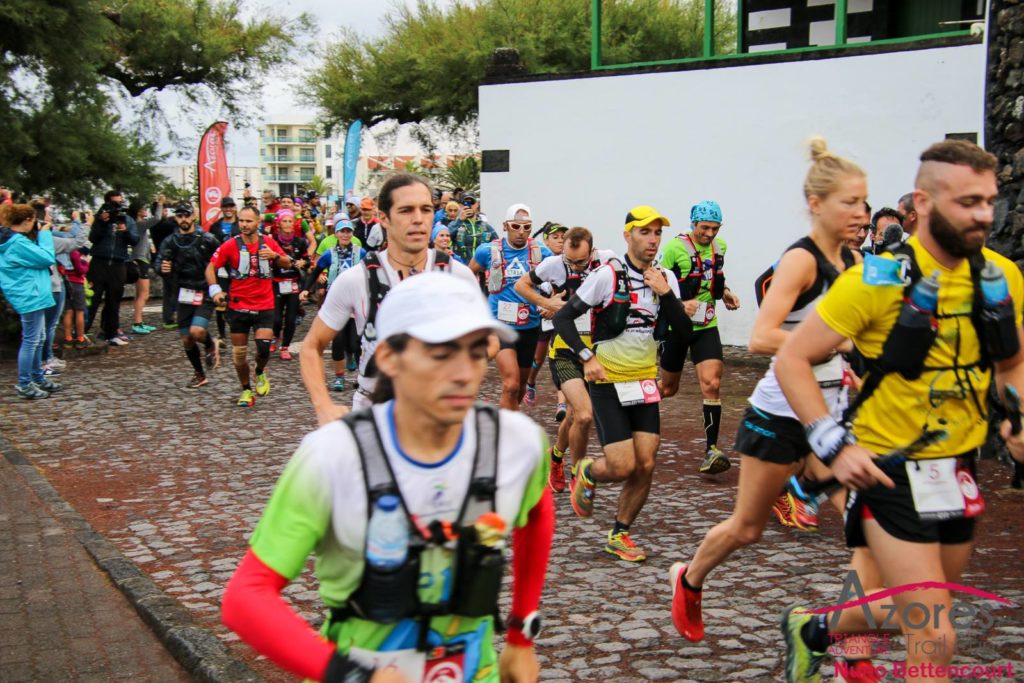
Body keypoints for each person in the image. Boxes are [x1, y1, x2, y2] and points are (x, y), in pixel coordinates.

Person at [222, 271, 554, 683]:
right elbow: (246, 596)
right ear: (388, 358)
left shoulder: (516, 443)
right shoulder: (333, 455)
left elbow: (537, 512)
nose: (463, 373)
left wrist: (521, 633)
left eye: (474, 352)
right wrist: (353, 676)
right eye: (441, 353)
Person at [775, 139, 1024, 683]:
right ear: (924, 203)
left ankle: (814, 629)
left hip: (957, 468)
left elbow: (1012, 361)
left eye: (989, 201)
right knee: (934, 633)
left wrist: (1017, 415)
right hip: (887, 470)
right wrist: (831, 444)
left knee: (924, 607)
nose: (984, 214)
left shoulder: (1000, 276)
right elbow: (792, 358)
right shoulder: (878, 278)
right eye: (968, 202)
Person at [669, 137, 866, 646]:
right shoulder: (800, 261)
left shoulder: (855, 262)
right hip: (780, 412)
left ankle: (850, 644)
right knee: (748, 527)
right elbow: (762, 337)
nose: (861, 213)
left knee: (869, 528)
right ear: (816, 204)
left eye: (864, 202)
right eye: (850, 202)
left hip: (832, 412)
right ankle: (689, 580)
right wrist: (834, 343)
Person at [555, 206, 687, 562]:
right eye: (645, 232)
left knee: (646, 463)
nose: (653, 240)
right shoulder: (607, 275)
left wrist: (667, 294)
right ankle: (586, 469)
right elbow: (563, 318)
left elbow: (683, 330)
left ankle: (620, 533)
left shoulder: (665, 278)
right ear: (628, 235)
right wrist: (587, 357)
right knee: (622, 465)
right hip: (608, 381)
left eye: (658, 233)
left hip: (643, 382)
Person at [300, 174, 479, 423]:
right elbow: (311, 345)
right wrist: (323, 406)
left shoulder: (457, 275)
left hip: (440, 415)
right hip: (374, 413)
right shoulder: (356, 279)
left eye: (426, 209)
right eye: (406, 210)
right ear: (383, 218)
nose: (418, 219)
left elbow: (489, 341)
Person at [515, 227, 616, 492]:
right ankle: (577, 475)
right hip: (564, 350)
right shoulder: (553, 264)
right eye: (569, 261)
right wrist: (547, 303)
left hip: (596, 351)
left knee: (573, 415)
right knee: (584, 415)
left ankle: (556, 456)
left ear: (592, 251)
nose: (574, 267)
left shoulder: (608, 261)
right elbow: (521, 284)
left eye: (580, 262)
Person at [659, 200, 741, 475]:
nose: (709, 233)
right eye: (705, 228)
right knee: (668, 389)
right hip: (677, 328)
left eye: (715, 228)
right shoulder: (674, 248)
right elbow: (657, 284)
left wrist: (725, 292)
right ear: (693, 223)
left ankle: (711, 450)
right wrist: (680, 305)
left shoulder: (721, 247)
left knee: (712, 383)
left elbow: (713, 276)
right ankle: (630, 407)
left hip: (706, 325)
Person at [206, 205, 292, 406]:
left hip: (264, 305)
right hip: (238, 306)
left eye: (248, 221)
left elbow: (288, 263)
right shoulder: (230, 245)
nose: (244, 225)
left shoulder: (268, 242)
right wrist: (215, 290)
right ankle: (246, 390)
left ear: (258, 222)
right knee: (239, 355)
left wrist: (274, 256)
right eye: (241, 221)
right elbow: (210, 268)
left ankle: (260, 371)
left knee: (263, 349)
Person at [470, 204, 553, 410]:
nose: (521, 232)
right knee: (511, 384)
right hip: (500, 324)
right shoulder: (488, 251)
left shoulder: (542, 252)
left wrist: (550, 303)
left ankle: (506, 419)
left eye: (527, 227)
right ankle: (506, 427)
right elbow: (469, 273)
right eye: (516, 226)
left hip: (529, 324)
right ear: (505, 226)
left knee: (520, 387)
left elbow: (558, 280)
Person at [0, 204, 62, 398]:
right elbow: (46, 257)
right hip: (30, 295)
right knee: (31, 340)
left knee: (38, 338)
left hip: (31, 293)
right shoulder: (16, 243)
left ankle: (37, 378)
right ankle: (25, 384)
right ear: (27, 220)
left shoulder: (12, 241)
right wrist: (44, 234)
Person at [159, 202, 222, 387]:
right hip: (183, 292)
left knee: (197, 331)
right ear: (175, 218)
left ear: (193, 216)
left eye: (186, 215)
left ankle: (210, 343)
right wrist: (163, 268)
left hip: (205, 290)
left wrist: (220, 287)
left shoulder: (207, 239)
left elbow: (223, 259)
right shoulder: (170, 241)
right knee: (187, 339)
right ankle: (199, 374)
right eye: (180, 216)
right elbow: (159, 263)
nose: (183, 219)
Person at [302, 217, 365, 392]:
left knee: (355, 343)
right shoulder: (329, 254)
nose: (345, 235)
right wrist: (306, 290)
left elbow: (371, 272)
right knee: (338, 342)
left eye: (348, 231)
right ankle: (339, 377)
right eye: (342, 231)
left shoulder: (361, 253)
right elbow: (315, 272)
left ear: (352, 234)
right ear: (336, 234)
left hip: (355, 302)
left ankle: (361, 376)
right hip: (336, 302)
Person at [522, 222, 570, 409]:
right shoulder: (541, 262)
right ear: (546, 241)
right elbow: (529, 285)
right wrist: (546, 303)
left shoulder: (571, 261)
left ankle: (562, 404)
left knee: (561, 357)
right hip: (543, 316)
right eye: (555, 237)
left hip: (563, 318)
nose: (560, 241)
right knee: (538, 358)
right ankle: (530, 382)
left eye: (563, 238)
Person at [86, 190, 139, 345]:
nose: (117, 207)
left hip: (118, 263)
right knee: (92, 299)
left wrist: (126, 231)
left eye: (120, 203)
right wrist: (102, 222)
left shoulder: (127, 219)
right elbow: (93, 238)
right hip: (99, 262)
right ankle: (82, 331)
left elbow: (135, 240)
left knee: (114, 301)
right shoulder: (100, 218)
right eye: (114, 203)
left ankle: (111, 333)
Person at [270, 209, 310, 360]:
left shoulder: (300, 242)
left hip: (293, 283)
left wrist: (303, 263)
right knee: (276, 318)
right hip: (277, 282)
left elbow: (307, 261)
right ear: (279, 224)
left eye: (290, 221)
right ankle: (275, 335)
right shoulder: (273, 241)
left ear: (294, 224)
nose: (287, 224)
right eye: (284, 221)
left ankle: (285, 347)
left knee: (291, 318)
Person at [129, 197, 162, 335]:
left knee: (139, 294)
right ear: (138, 212)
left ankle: (139, 321)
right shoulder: (139, 224)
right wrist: (160, 204)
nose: (145, 211)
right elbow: (157, 218)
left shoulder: (136, 225)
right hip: (141, 261)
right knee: (144, 294)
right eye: (143, 209)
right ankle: (137, 322)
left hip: (139, 260)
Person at [452, 195, 497, 265]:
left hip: (481, 268)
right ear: (460, 206)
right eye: (466, 203)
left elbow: (497, 246)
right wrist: (459, 220)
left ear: (477, 204)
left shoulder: (486, 226)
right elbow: (446, 236)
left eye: (471, 202)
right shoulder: (455, 224)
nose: (469, 206)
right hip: (462, 266)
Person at [60, 244, 89, 349]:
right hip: (77, 284)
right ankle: (80, 338)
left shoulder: (62, 252)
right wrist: (86, 263)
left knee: (68, 311)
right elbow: (81, 270)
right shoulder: (75, 253)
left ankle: (68, 338)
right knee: (79, 312)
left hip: (66, 283)